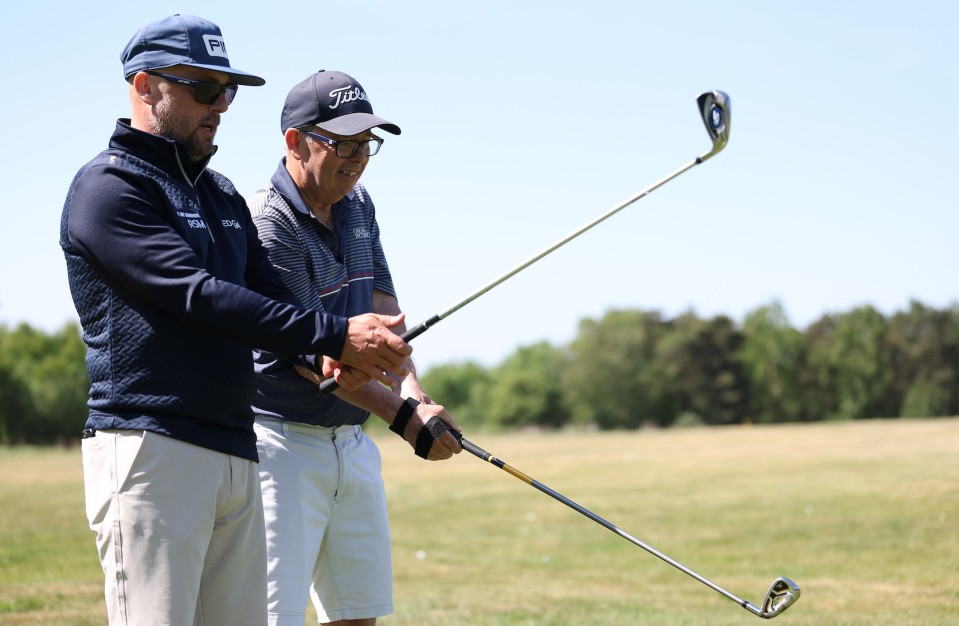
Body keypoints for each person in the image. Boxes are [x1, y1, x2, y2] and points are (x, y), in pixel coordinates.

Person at [59, 17, 412, 626]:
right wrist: (333, 335)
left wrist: (339, 351)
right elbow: (199, 297)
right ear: (145, 86)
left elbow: (277, 303)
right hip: (150, 445)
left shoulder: (218, 196)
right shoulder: (109, 187)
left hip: (233, 448)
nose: (220, 105)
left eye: (228, 90)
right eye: (203, 89)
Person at [249, 70, 462, 626]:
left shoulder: (358, 204)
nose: (357, 156)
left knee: (358, 616)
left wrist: (415, 395)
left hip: (351, 439)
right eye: (341, 142)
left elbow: (388, 321)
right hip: (280, 446)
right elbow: (311, 359)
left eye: (366, 143)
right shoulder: (267, 223)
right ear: (295, 141)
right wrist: (402, 417)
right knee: (275, 616)